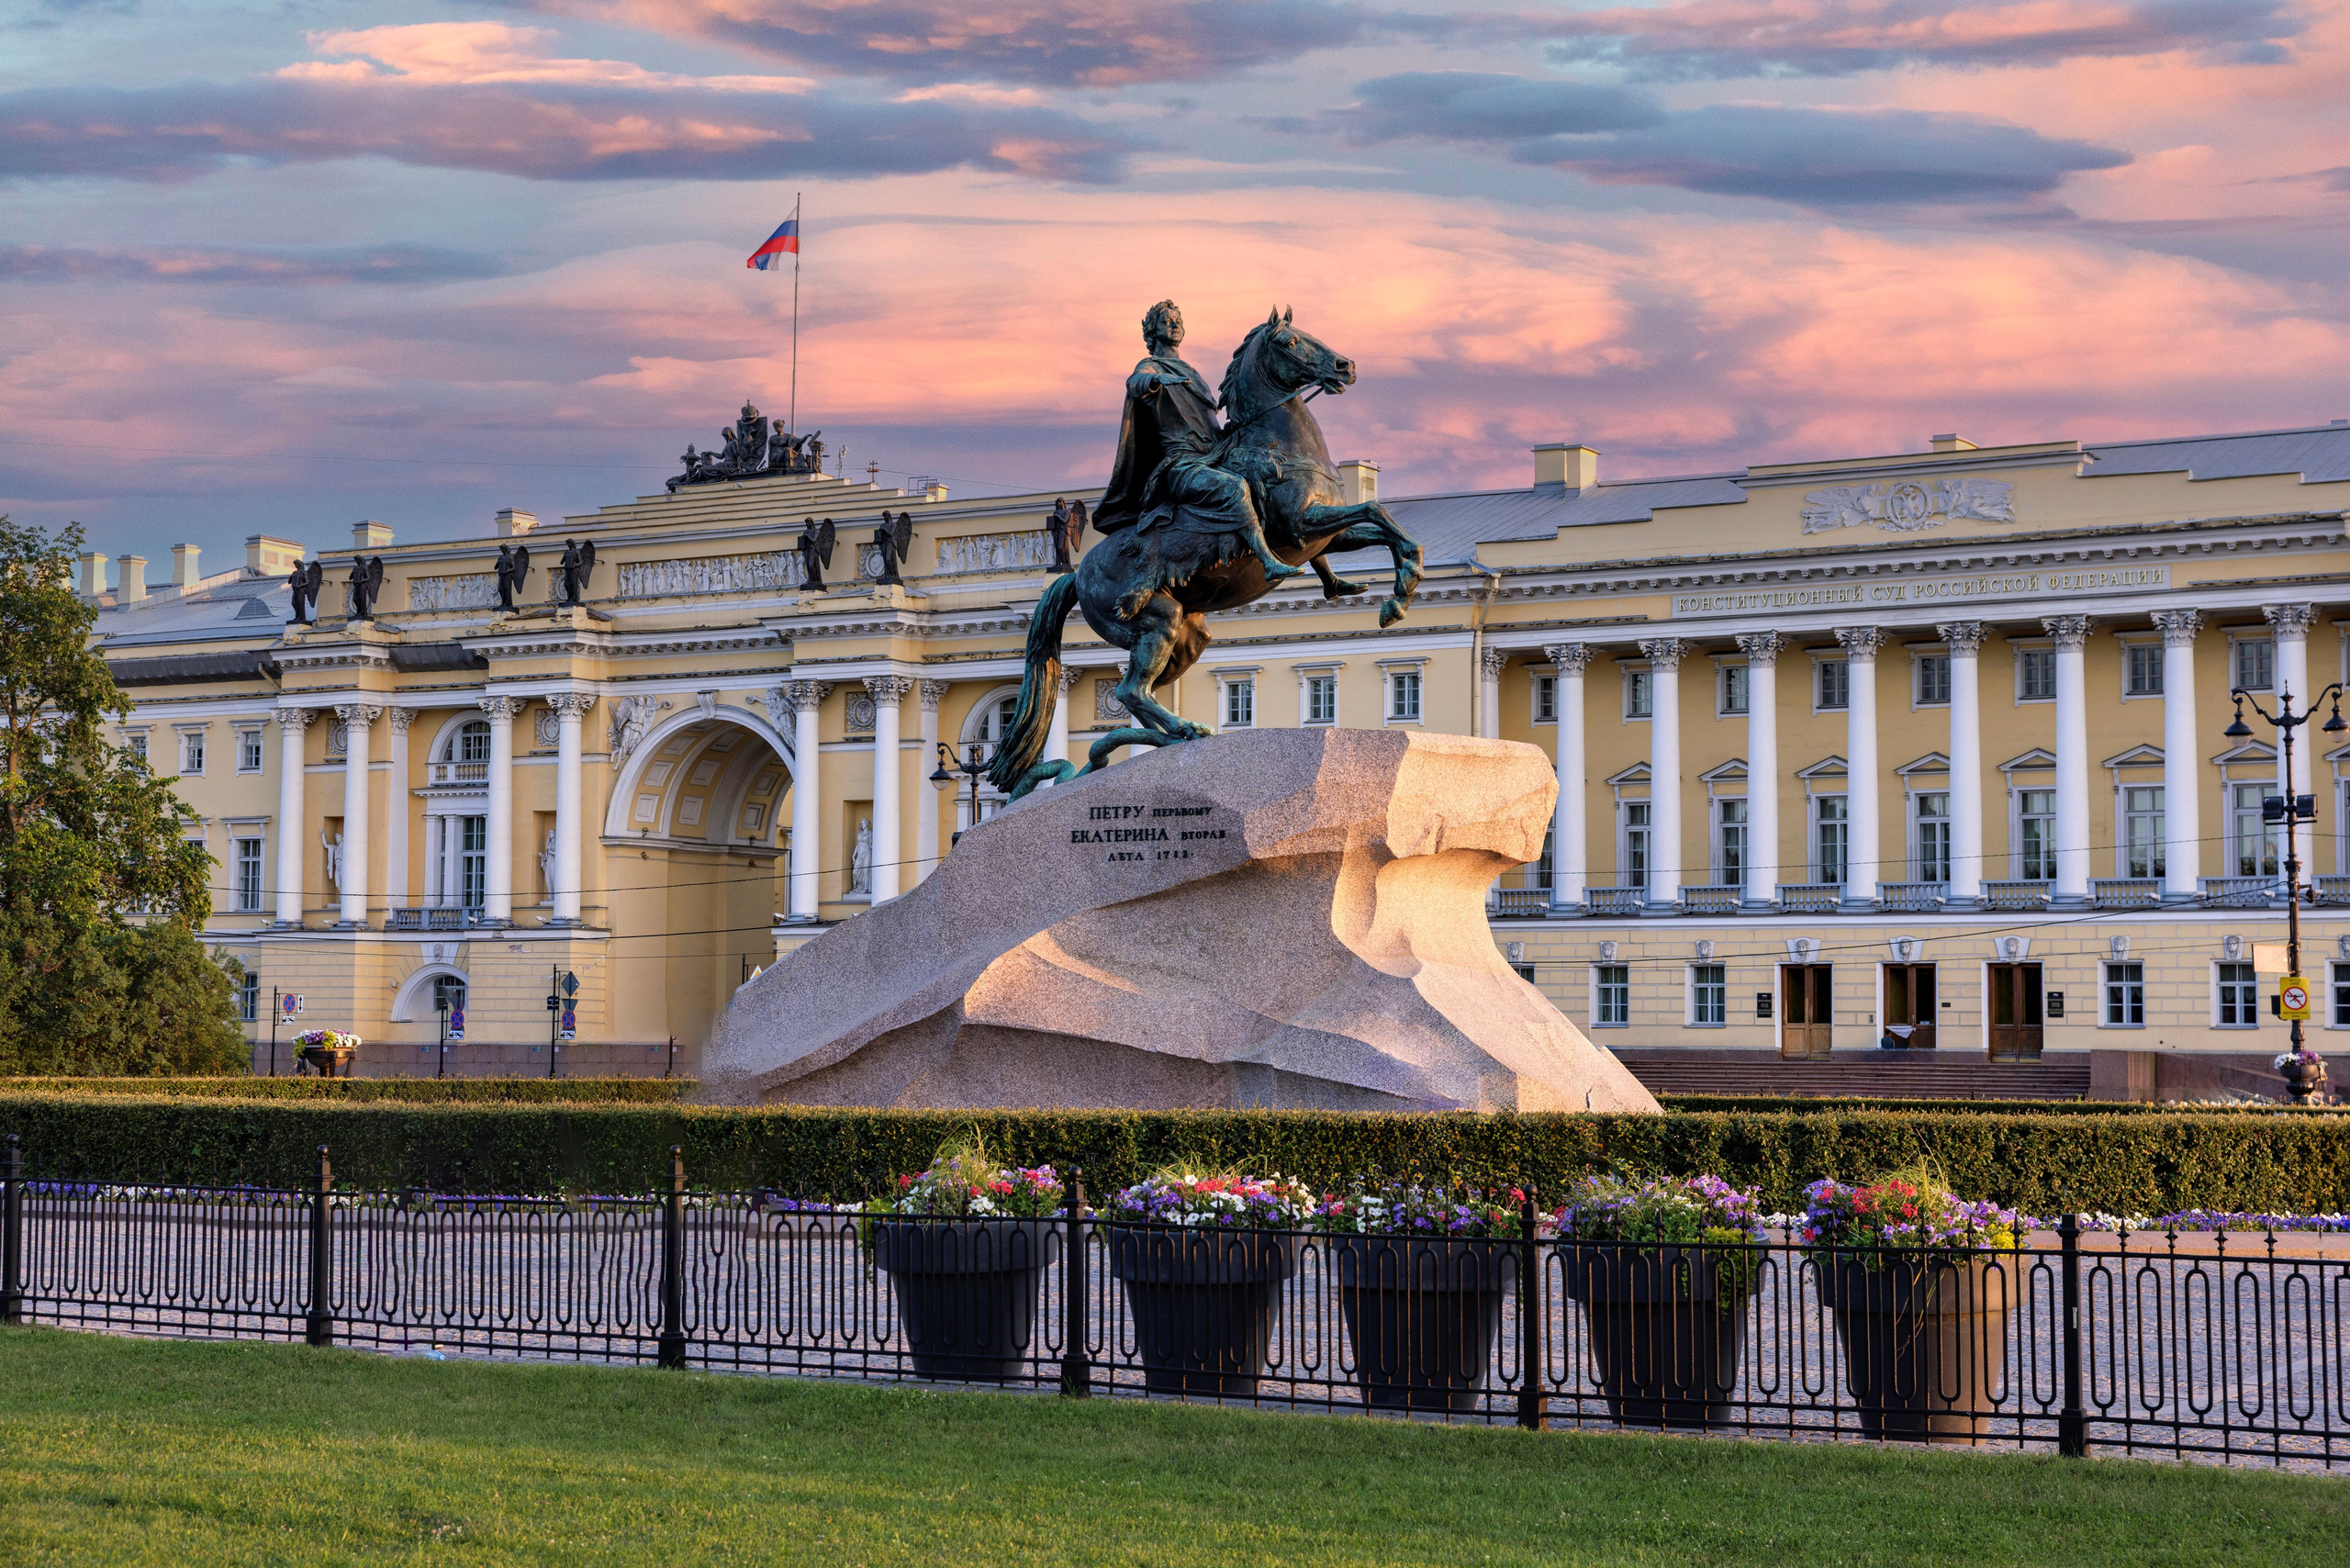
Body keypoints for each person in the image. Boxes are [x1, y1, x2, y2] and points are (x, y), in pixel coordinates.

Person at [1093, 299, 1300, 588]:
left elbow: (1210, 425)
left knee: (1277, 476)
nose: (1175, 324)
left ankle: (1327, 576)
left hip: (1213, 454)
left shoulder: (1193, 372)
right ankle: (1268, 561)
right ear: (1153, 331)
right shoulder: (1151, 366)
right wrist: (1154, 381)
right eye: (1167, 321)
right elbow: (1136, 382)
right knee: (1235, 487)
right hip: (1183, 466)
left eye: (1177, 320)